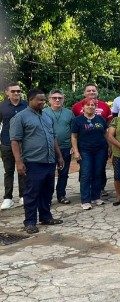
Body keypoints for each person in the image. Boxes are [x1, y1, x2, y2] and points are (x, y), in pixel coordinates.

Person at [9, 88, 65, 234]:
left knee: (47, 191)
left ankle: (46, 217)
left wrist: (59, 156)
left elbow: (53, 138)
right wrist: (18, 162)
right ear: (30, 100)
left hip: (49, 160)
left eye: (44, 100)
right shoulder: (20, 117)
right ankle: (30, 222)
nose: (42, 102)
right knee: (32, 193)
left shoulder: (47, 117)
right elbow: (15, 141)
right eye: (39, 100)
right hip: (32, 161)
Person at [71, 98, 108, 210]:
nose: (91, 107)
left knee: (98, 173)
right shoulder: (77, 120)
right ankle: (85, 200)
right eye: (88, 105)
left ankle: (96, 197)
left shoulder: (100, 119)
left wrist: (109, 147)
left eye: (93, 105)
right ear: (83, 107)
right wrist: (76, 151)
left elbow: (105, 134)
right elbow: (74, 137)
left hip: (100, 150)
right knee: (86, 174)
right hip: (85, 150)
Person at [43, 89, 74, 205]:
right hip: (49, 149)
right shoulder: (43, 112)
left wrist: (73, 146)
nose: (57, 100)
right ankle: (48, 197)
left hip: (66, 148)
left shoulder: (69, 113)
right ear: (49, 99)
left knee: (64, 173)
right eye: (54, 98)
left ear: (63, 99)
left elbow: (73, 131)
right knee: (49, 174)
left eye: (60, 98)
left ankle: (61, 195)